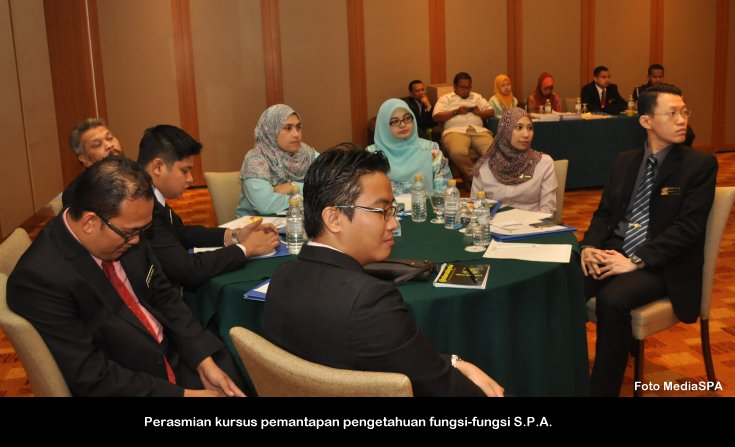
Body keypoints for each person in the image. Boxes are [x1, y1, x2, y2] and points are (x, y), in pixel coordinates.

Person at [264, 147, 504, 397]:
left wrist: (452, 362)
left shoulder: (282, 276)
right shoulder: (369, 300)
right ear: (334, 219)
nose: (393, 223)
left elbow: (390, 357)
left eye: (392, 211)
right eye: (382, 211)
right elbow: (442, 388)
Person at [7, 157, 246, 396]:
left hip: (173, 352)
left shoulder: (125, 229)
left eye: (143, 230)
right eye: (131, 233)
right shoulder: (40, 279)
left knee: (234, 371)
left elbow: (164, 296)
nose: (138, 241)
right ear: (89, 222)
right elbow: (91, 376)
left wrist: (203, 360)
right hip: (130, 381)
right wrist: (185, 396)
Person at [579, 84, 717, 396]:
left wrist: (636, 261)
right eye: (672, 113)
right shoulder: (625, 161)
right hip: (614, 251)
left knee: (613, 299)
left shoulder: (699, 165)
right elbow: (604, 214)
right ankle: (566, 375)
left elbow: (687, 229)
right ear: (646, 121)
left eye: (685, 112)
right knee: (565, 283)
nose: (682, 120)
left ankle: (601, 391)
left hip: (662, 264)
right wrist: (589, 247)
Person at [137, 125, 281, 293]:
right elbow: (188, 270)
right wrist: (246, 248)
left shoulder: (150, 193)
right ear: (158, 167)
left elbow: (179, 232)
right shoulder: (142, 208)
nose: (190, 179)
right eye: (185, 171)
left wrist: (235, 235)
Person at [236, 104, 318, 217]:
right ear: (271, 130)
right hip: (255, 224)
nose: (296, 134)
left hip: (295, 221)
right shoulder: (255, 159)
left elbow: (333, 182)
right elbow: (266, 205)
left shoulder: (305, 152)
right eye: (288, 128)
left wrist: (293, 186)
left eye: (298, 127)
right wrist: (310, 195)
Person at [471, 108, 557, 214]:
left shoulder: (543, 163)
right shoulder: (485, 166)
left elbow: (548, 209)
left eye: (530, 128)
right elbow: (475, 206)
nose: (526, 134)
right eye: (519, 127)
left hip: (532, 222)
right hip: (495, 223)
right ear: (505, 131)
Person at [366, 98, 451, 193]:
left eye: (407, 118)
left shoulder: (431, 149)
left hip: (426, 202)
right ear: (384, 125)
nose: (403, 125)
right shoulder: (371, 153)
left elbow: (444, 189)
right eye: (395, 121)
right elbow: (367, 191)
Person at [433, 72, 495, 188]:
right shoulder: (446, 98)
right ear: (455, 87)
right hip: (455, 131)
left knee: (494, 152)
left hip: (478, 130)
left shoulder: (477, 97)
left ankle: (486, 179)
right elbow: (436, 117)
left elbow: (491, 111)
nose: (466, 90)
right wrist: (456, 112)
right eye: (462, 87)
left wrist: (480, 113)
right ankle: (473, 177)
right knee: (458, 152)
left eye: (468, 87)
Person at [62, 118, 124, 207]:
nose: (109, 145)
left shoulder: (135, 172)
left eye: (110, 138)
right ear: (85, 159)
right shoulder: (77, 195)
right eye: (97, 144)